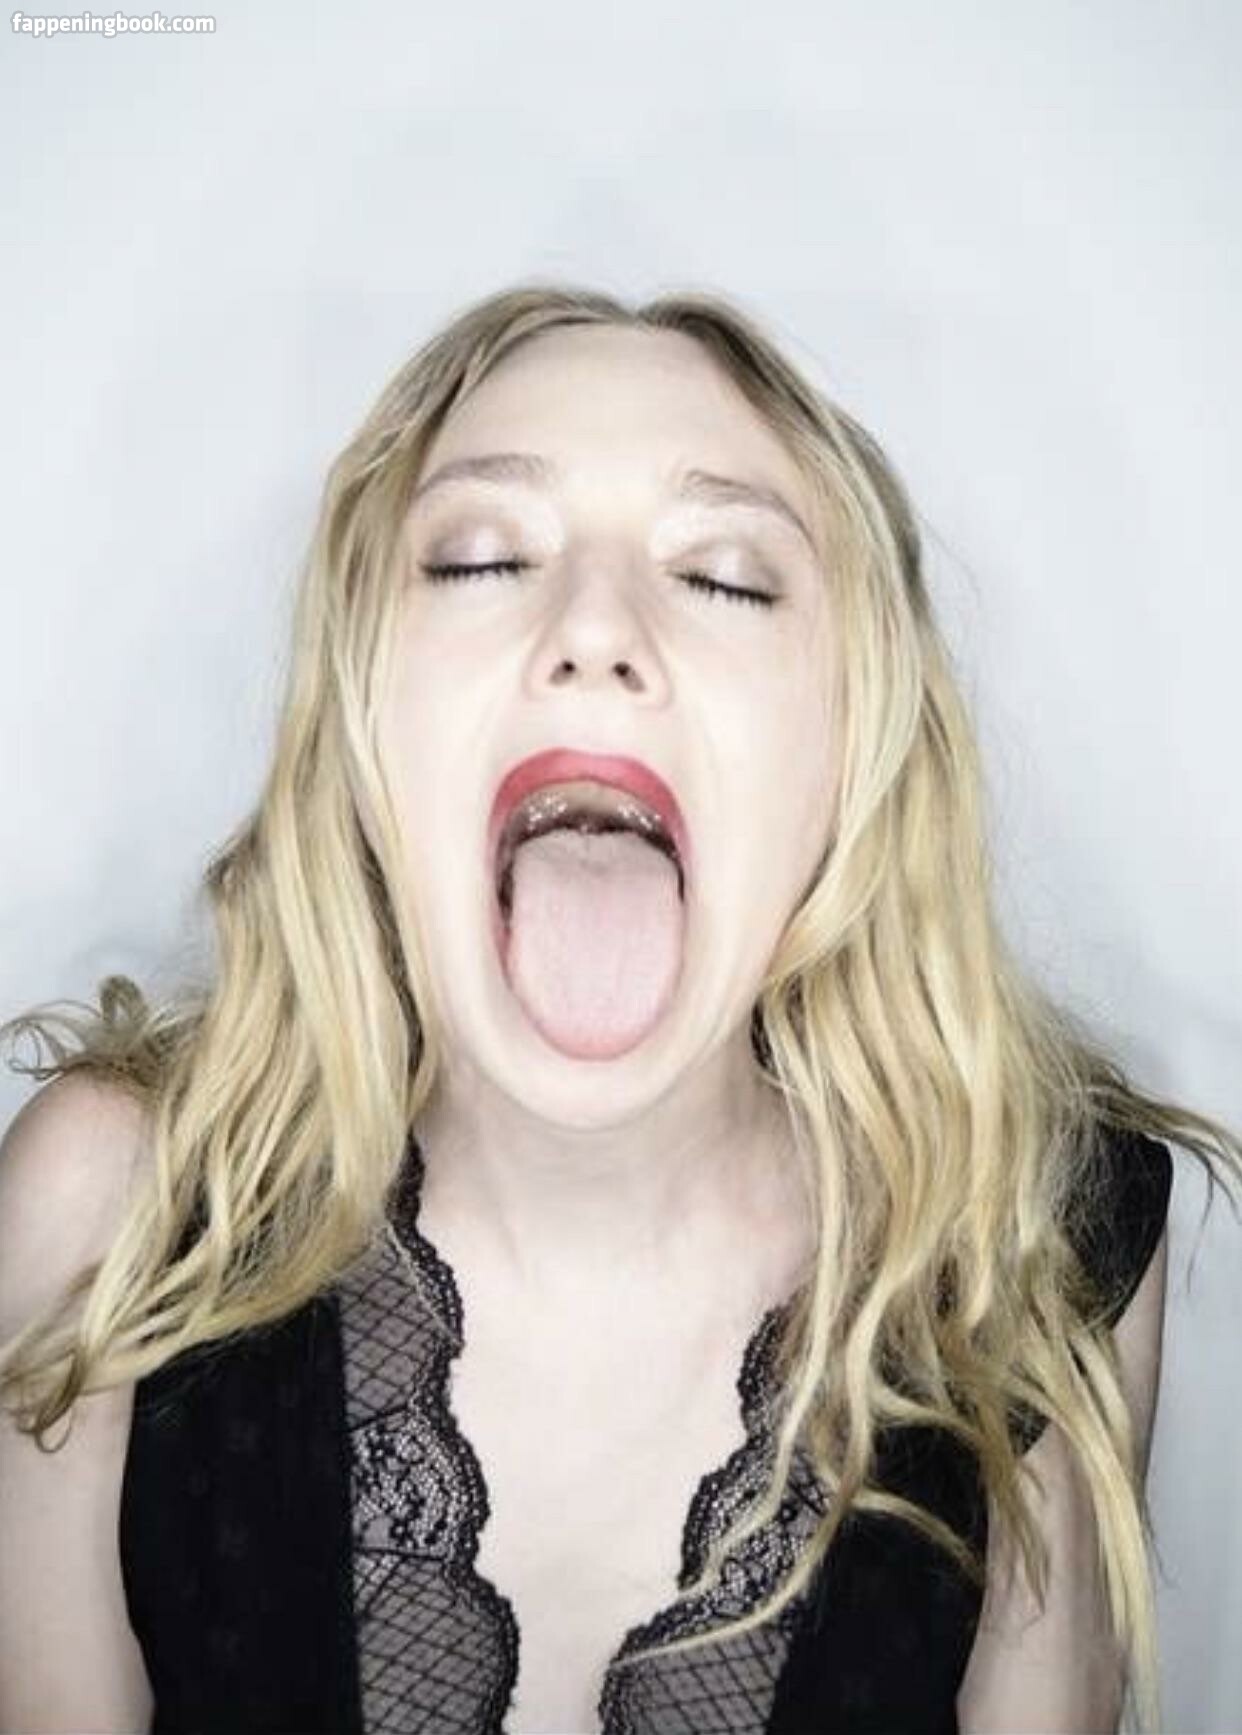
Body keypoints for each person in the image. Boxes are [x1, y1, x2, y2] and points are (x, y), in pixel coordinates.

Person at [0, 283, 1238, 1735]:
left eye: (727, 578)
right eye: (479, 558)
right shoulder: (110, 1217)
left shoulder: (1038, 1242)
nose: (594, 628)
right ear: (360, 722)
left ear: (852, 750)